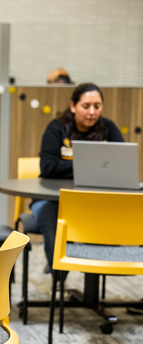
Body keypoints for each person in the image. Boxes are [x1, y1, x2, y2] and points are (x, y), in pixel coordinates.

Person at [32, 82, 123, 273]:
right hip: (53, 199)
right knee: (51, 218)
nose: (92, 112)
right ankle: (58, 276)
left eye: (97, 107)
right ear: (73, 106)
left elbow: (121, 166)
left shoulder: (108, 129)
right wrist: (92, 166)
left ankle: (99, 274)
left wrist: (71, 167)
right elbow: (48, 167)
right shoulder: (57, 128)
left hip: (95, 201)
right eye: (86, 106)